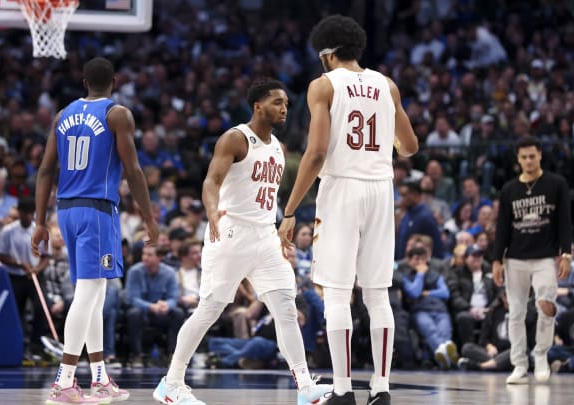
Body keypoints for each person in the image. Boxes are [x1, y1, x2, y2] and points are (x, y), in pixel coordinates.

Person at [154, 79, 331, 405]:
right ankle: (171, 383)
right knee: (210, 309)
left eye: (287, 104)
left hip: (266, 235)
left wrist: (282, 226)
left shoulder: (278, 147)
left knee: (286, 308)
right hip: (230, 232)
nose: (283, 109)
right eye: (277, 102)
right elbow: (211, 181)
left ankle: (305, 387)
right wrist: (211, 212)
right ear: (258, 105)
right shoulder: (235, 138)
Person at [278, 15, 418, 405]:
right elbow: (409, 147)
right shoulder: (387, 85)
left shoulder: (323, 85)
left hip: (342, 189)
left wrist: (290, 211)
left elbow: (318, 152)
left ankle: (342, 389)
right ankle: (382, 387)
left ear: (327, 54)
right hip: (380, 189)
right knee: (377, 294)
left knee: (337, 294)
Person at [32, 57, 159, 404]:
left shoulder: (62, 116)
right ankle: (65, 380)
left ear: (84, 82)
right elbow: (132, 171)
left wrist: (40, 221)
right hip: (96, 211)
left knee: (97, 293)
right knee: (89, 293)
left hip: (66, 211)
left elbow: (45, 171)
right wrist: (149, 218)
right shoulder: (117, 114)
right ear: (114, 82)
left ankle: (100, 377)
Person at [492, 136, 573, 385]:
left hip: (545, 257)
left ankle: (541, 355)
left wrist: (566, 253)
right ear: (518, 159)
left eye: (532, 156)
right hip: (514, 257)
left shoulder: (556, 183)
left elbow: (564, 221)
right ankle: (519, 364)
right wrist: (496, 260)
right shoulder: (509, 190)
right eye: (524, 157)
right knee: (515, 313)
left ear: (539, 155)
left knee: (546, 305)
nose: (528, 160)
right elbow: (502, 227)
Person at [0, 197, 50, 360]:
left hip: (35, 275)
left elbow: (46, 257)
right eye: (24, 213)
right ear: (19, 213)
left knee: (41, 308)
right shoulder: (8, 231)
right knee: (15, 311)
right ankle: (18, 346)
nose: (27, 216)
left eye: (30, 213)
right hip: (15, 275)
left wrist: (35, 269)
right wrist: (19, 264)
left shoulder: (39, 230)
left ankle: (36, 345)